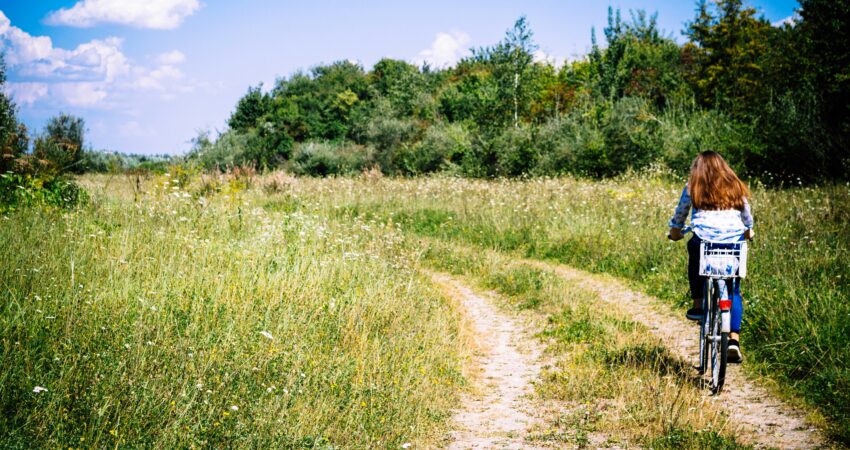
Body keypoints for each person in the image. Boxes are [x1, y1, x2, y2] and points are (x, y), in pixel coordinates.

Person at [668, 150, 754, 363]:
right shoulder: (735, 186)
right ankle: (733, 339)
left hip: (704, 241)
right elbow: (746, 215)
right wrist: (748, 230)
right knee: (733, 288)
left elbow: (680, 214)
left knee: (694, 251)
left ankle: (698, 305)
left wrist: (675, 231)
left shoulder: (693, 187)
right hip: (733, 242)